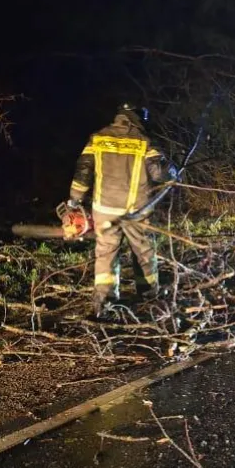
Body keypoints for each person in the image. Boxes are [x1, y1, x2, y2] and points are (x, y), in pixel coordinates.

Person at [67, 103, 169, 318]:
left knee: (105, 253)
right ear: (138, 118)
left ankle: (103, 303)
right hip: (136, 211)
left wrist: (75, 201)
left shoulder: (98, 138)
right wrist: (174, 170)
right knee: (143, 251)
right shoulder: (144, 141)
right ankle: (149, 298)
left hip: (104, 209)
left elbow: (83, 171)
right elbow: (160, 174)